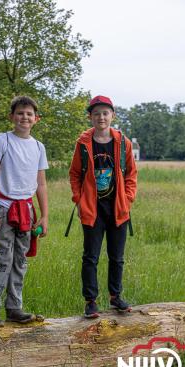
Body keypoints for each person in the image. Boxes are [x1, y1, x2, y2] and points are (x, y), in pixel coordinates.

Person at [0, 95, 48, 327]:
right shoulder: (2, 140)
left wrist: (44, 215)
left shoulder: (38, 147)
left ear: (36, 119)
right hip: (3, 209)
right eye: (19, 113)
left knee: (20, 260)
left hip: (26, 210)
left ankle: (14, 307)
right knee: (1, 260)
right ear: (11, 116)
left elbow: (41, 184)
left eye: (29, 114)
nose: (24, 117)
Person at [69, 95, 137, 318]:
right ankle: (90, 301)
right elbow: (74, 174)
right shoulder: (83, 143)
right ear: (90, 116)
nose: (101, 117)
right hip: (92, 209)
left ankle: (115, 297)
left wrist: (127, 199)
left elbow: (131, 174)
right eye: (96, 113)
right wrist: (79, 200)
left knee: (117, 256)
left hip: (117, 208)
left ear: (112, 115)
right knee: (91, 257)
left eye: (105, 113)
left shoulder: (122, 142)